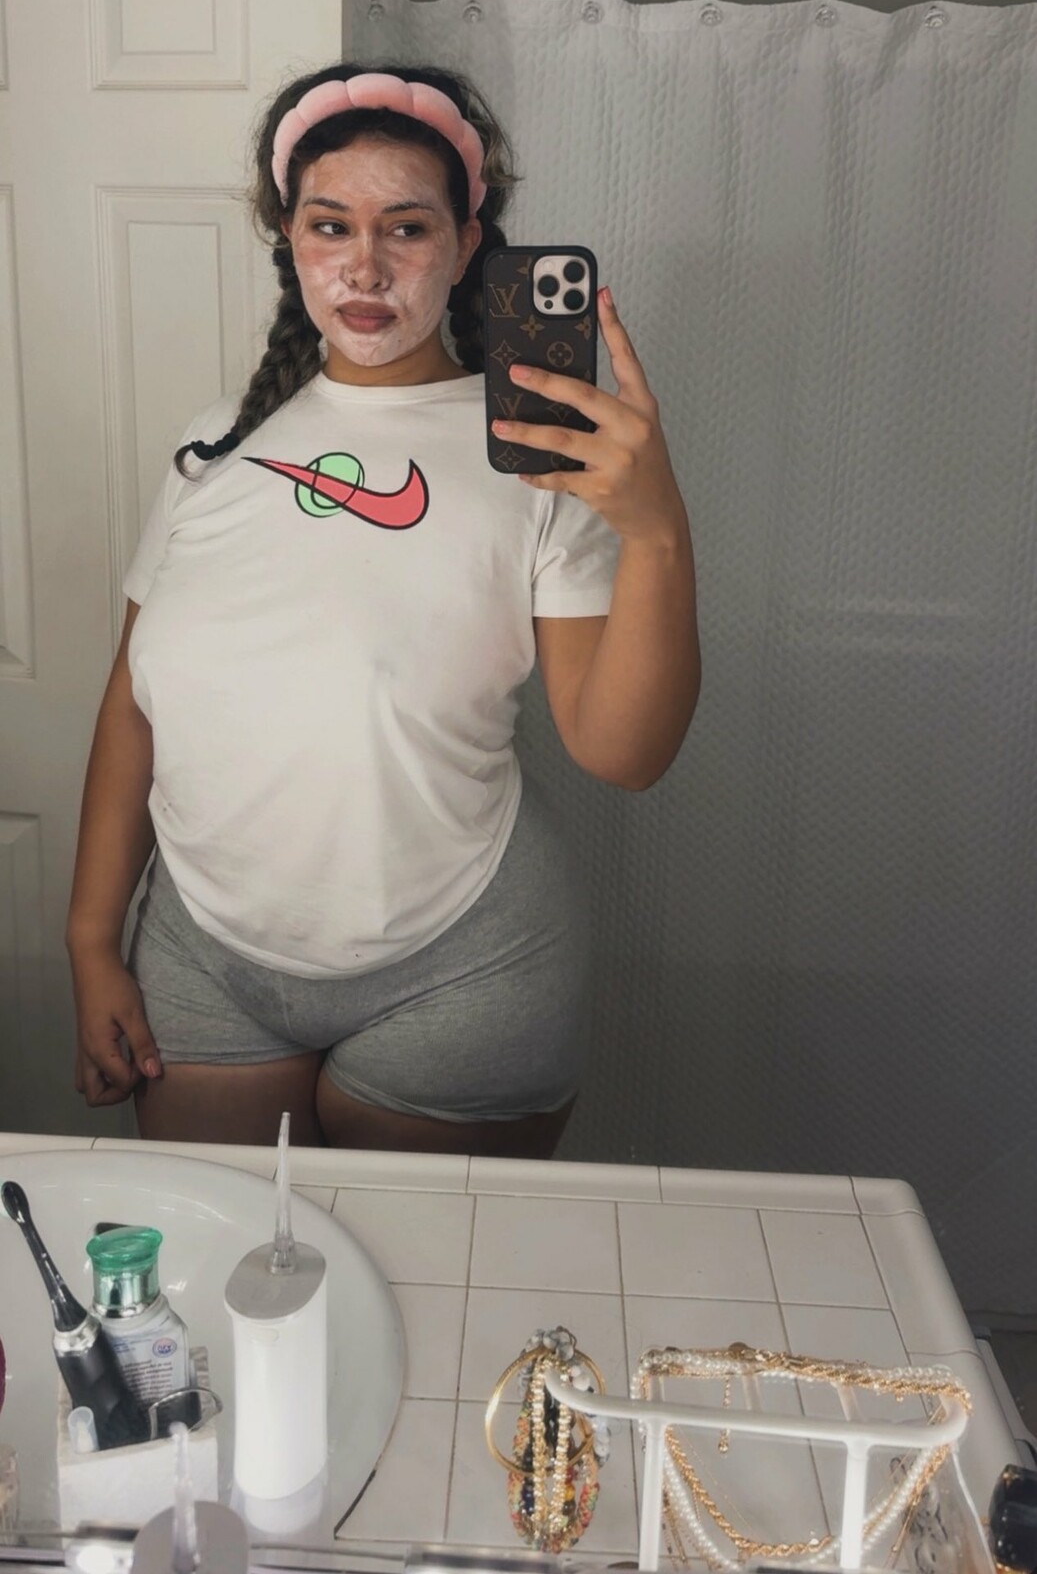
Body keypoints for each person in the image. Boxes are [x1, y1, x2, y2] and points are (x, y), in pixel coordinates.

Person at [65, 62, 701, 1155]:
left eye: (406, 228)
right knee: (227, 1257)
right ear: (288, 237)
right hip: (203, 961)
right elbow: (134, 702)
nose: (363, 267)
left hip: (467, 968)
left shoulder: (541, 458)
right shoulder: (213, 447)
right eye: (330, 226)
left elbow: (623, 754)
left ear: (465, 244)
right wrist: (88, 940)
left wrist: (656, 530)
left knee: (421, 1268)